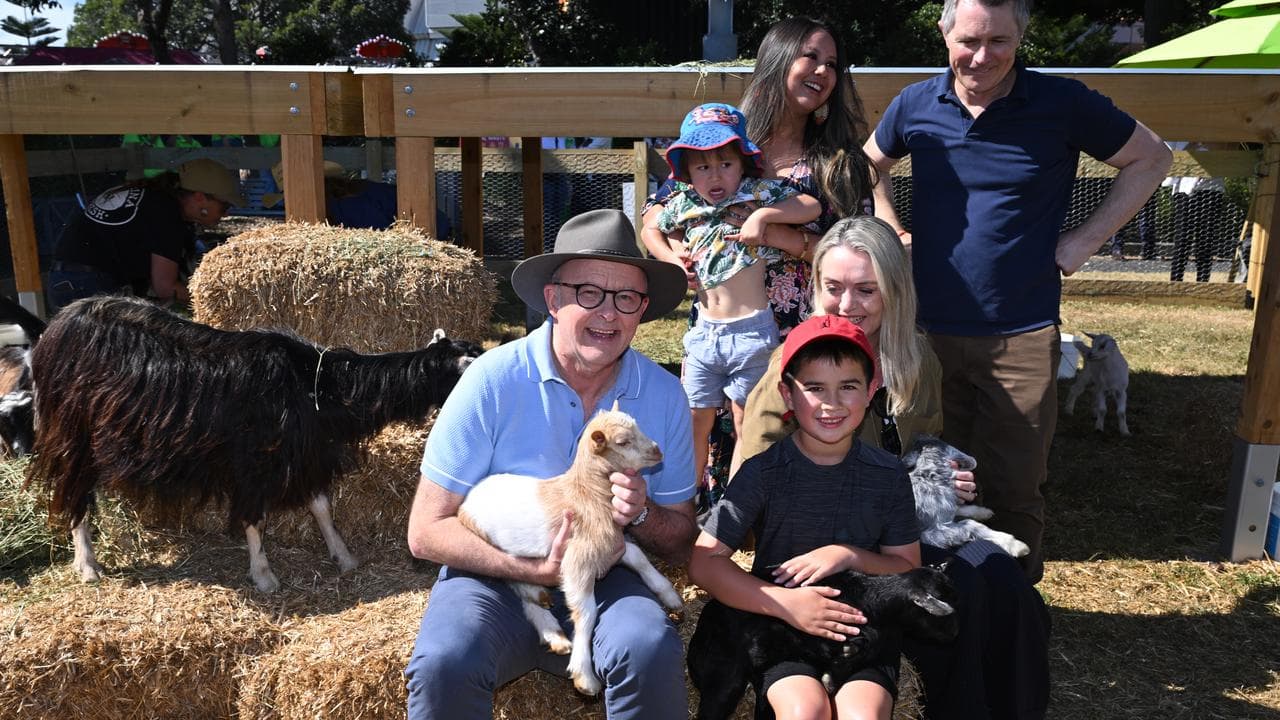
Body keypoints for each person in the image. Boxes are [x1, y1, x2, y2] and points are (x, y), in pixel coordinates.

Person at [863, 0, 1172, 583]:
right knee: (928, 479)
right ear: (944, 32)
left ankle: (1010, 614)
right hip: (927, 331)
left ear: (1021, 37)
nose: (983, 56)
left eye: (999, 42)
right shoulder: (915, 103)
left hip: (1022, 331)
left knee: (1014, 484)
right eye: (970, 41)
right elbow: (868, 163)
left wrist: (1083, 242)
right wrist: (891, 229)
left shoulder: (1062, 102)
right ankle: (941, 598)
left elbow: (1152, 158)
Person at [736, 216, 1051, 720]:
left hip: (905, 529)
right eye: (833, 288)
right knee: (958, 592)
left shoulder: (916, 359)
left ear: (894, 292)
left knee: (1008, 584)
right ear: (815, 288)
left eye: (866, 289)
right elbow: (753, 493)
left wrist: (944, 477)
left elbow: (926, 446)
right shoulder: (794, 368)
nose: (847, 305)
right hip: (823, 545)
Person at [403, 208, 698, 719]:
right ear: (553, 300)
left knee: (648, 647)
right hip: (494, 575)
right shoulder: (491, 380)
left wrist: (642, 515)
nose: (608, 313)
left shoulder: (664, 394)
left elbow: (682, 537)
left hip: (607, 572)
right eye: (589, 293)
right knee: (445, 662)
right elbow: (425, 531)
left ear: (642, 311)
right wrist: (528, 568)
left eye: (626, 298)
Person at [642, 16, 877, 505]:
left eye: (832, 63)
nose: (823, 71)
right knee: (704, 416)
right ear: (777, 62)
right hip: (717, 319)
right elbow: (656, 213)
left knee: (772, 420)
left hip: (800, 325)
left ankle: (776, 512)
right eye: (810, 56)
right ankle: (705, 509)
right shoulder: (719, 142)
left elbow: (858, 251)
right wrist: (674, 257)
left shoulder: (838, 161)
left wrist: (777, 234)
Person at [689, 314, 920, 720]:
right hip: (784, 629)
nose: (831, 404)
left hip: (860, 628)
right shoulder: (763, 472)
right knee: (804, 710)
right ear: (788, 394)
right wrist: (786, 604)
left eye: (848, 387)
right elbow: (703, 562)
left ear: (871, 390)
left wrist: (849, 555)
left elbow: (907, 568)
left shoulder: (889, 474)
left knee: (863, 715)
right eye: (814, 388)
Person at [654, 102, 822, 488]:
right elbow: (651, 230)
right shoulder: (684, 205)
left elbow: (810, 204)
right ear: (687, 173)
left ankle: (737, 506)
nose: (715, 176)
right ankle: (686, 501)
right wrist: (672, 257)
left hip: (751, 332)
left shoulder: (758, 194)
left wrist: (764, 217)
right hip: (703, 336)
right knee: (696, 417)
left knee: (747, 419)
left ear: (743, 163)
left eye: (726, 164)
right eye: (703, 167)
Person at [49, 158, 243, 311]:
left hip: (66, 280)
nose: (226, 214)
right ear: (200, 197)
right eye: (224, 206)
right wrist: (220, 301)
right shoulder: (166, 214)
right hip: (89, 285)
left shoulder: (151, 197)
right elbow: (166, 288)